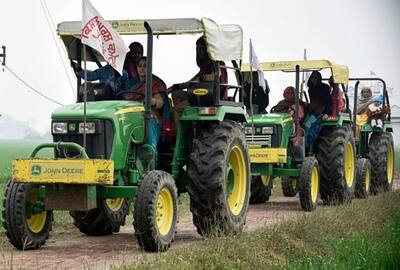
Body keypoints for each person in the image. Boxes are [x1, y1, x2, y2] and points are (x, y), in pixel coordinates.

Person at [170, 36, 228, 121]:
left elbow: (215, 75)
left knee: (175, 109)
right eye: (197, 49)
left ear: (208, 50)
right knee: (176, 93)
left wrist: (201, 79)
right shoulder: (204, 67)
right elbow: (191, 82)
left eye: (201, 49)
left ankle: (179, 133)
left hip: (210, 98)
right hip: (199, 96)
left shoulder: (217, 63)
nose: (199, 52)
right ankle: (185, 118)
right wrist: (175, 87)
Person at [123, 56, 167, 156]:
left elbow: (161, 102)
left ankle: (150, 154)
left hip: (149, 115)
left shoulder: (155, 82)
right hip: (131, 114)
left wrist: (153, 101)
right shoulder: (130, 82)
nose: (142, 68)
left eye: (145, 66)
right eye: (140, 66)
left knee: (148, 121)